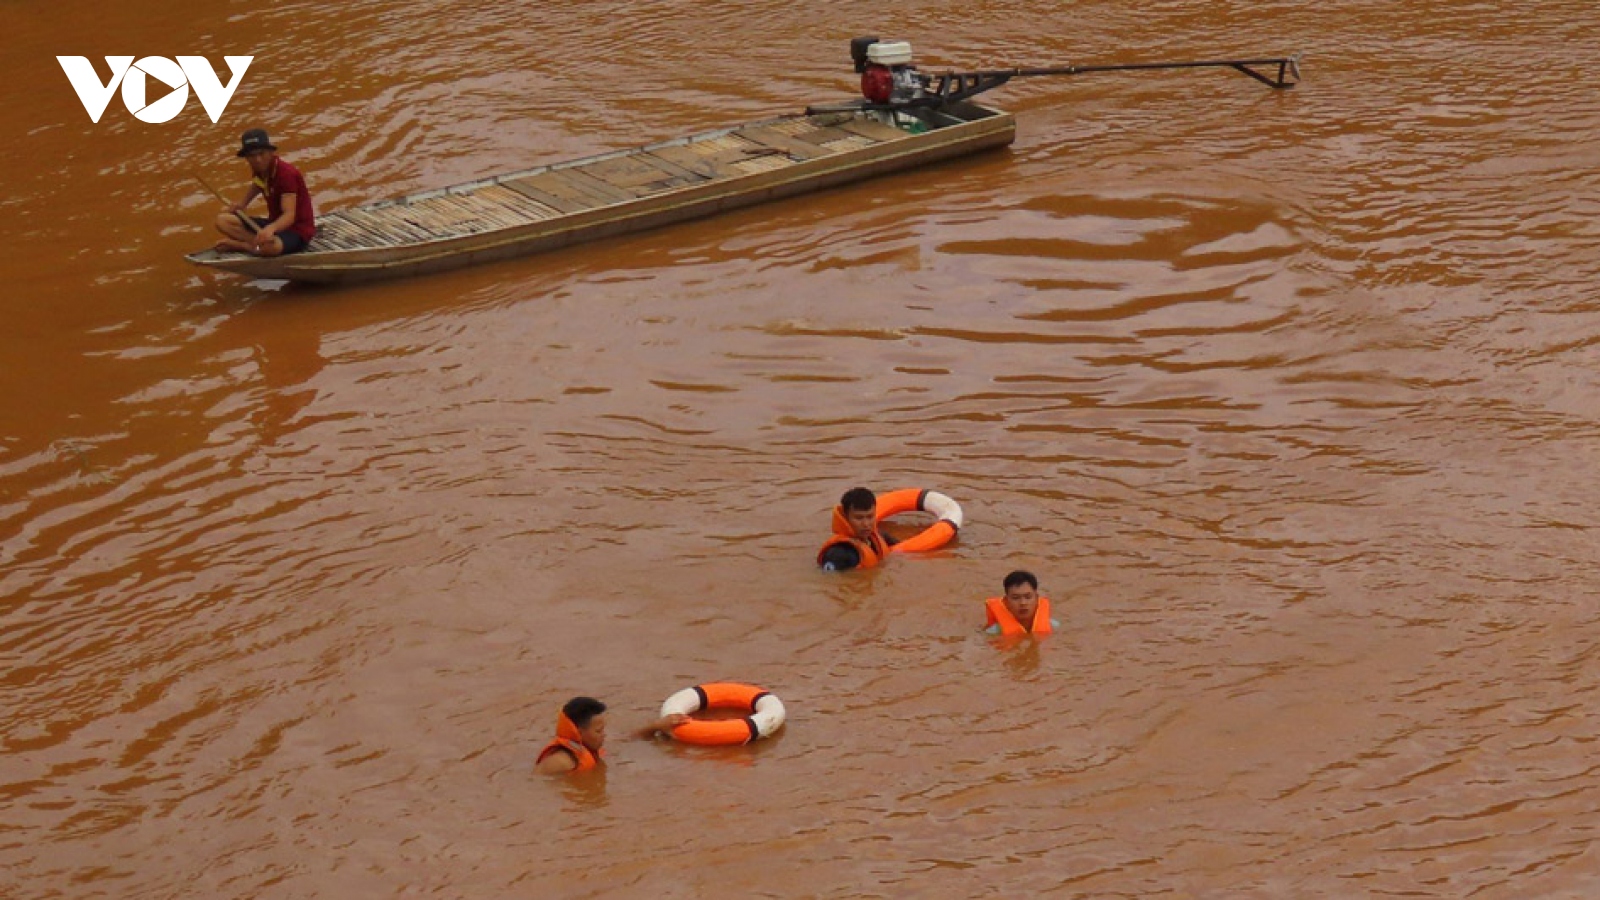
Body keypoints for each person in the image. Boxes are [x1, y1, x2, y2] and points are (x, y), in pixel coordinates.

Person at [213, 128, 316, 256]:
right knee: (222, 221)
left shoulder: (286, 174)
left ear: (270, 152)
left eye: (261, 153)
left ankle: (243, 246)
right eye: (252, 156)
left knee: (272, 248)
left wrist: (271, 228)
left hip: (296, 230)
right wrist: (243, 204)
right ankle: (257, 245)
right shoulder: (262, 170)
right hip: (274, 223)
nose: (258, 160)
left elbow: (289, 215)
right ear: (246, 158)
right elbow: (258, 183)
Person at [535, 696, 688, 775]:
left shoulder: (588, 746)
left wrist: (656, 726)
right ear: (579, 732)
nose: (604, 735)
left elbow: (627, 739)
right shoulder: (561, 762)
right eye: (598, 731)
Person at [817, 486, 900, 571]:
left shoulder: (880, 536)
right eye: (859, 518)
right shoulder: (838, 554)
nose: (866, 524)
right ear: (846, 518)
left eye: (870, 517)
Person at [983, 570, 1059, 637]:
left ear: (1036, 598)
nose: (1023, 603)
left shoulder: (1053, 626)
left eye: (1028, 597)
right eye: (1015, 598)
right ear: (1006, 601)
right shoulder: (994, 632)